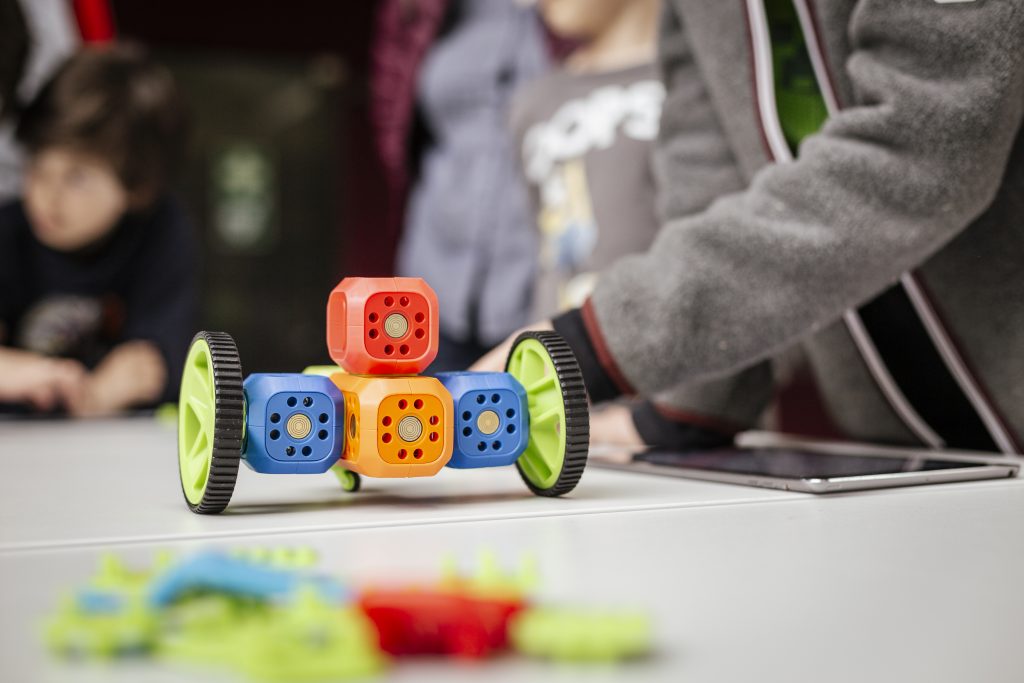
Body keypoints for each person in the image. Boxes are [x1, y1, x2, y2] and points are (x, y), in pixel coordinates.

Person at [476, 0, 1024, 454]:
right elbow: (707, 178)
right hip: (901, 447)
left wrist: (602, 342)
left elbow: (927, 149)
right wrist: (693, 408)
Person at [510, 0, 772, 448]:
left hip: (691, 418)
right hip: (565, 404)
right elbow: (546, 250)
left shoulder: (698, 89)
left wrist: (678, 416)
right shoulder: (532, 102)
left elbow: (743, 257)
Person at [0, 44, 197, 417]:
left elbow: (154, 363)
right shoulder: (8, 233)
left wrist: (97, 395)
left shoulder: (160, 232)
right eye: (38, 167)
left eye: (76, 178)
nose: (46, 197)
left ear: (138, 186)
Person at [372, 0, 560, 372]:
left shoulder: (577, 14)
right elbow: (394, 126)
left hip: (544, 278)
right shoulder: (419, 10)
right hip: (434, 270)